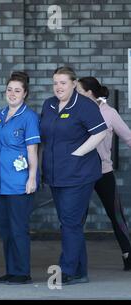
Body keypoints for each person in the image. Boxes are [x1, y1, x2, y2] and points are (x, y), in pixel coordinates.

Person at [40, 66, 107, 285]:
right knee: (70, 223)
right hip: (56, 174)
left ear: (73, 83)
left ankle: (67, 270)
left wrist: (78, 153)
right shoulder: (49, 104)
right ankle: (80, 271)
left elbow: (100, 132)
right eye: (55, 83)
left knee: (69, 222)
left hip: (78, 174)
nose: (58, 87)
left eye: (63, 83)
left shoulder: (85, 105)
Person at [0, 71, 40, 285]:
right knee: (5, 229)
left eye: (17, 90)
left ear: (25, 94)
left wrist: (32, 177)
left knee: (18, 229)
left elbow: (32, 149)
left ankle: (22, 272)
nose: (12, 93)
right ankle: (11, 270)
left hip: (19, 182)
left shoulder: (29, 117)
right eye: (9, 90)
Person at [77, 76, 131, 271]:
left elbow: (128, 137)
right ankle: (74, 261)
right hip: (80, 174)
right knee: (76, 219)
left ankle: (128, 255)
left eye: (79, 92)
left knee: (116, 215)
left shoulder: (109, 113)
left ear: (89, 93)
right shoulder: (75, 111)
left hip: (103, 173)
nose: (75, 96)